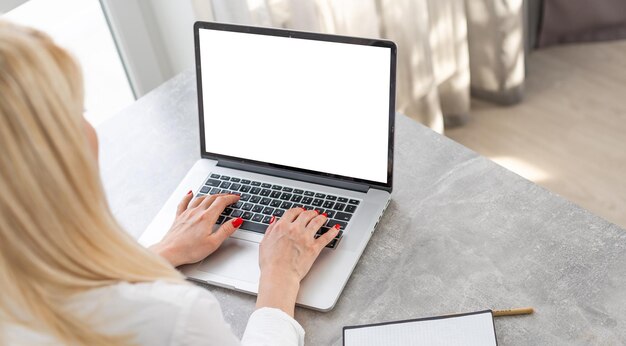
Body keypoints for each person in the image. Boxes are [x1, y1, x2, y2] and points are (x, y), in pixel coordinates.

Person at [0, 20, 340, 345]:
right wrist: (280, 276)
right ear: (47, 155)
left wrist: (165, 251)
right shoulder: (168, 316)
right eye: (77, 112)